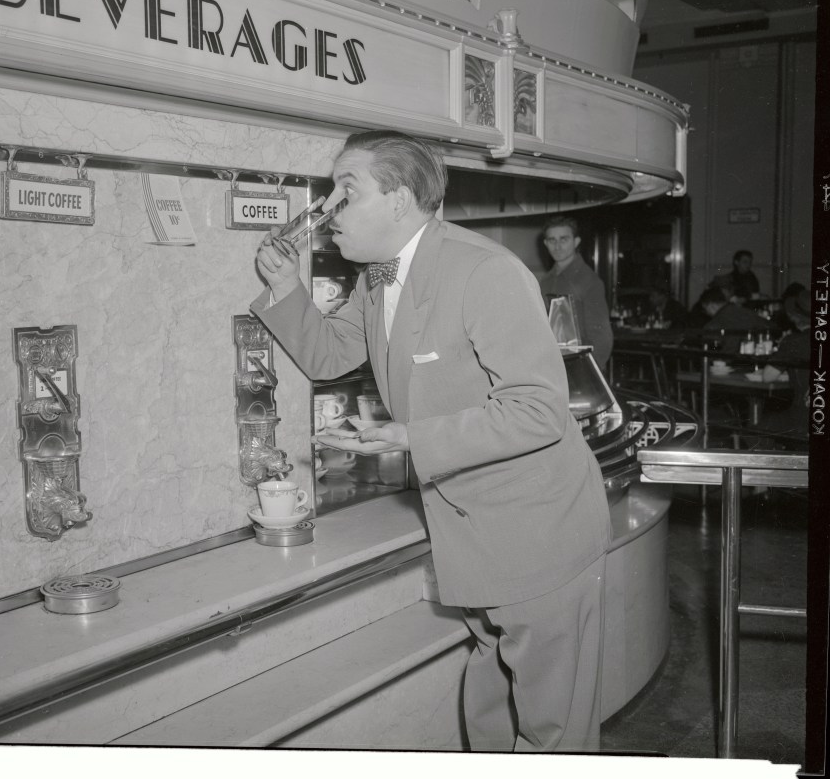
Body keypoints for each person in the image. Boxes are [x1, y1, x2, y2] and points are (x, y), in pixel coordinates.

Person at [251, 130, 611, 752]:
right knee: (493, 695)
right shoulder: (374, 279)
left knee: (556, 726)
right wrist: (287, 285)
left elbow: (538, 411)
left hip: (536, 530)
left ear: (399, 200)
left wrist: (411, 435)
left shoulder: (485, 270)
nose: (326, 208)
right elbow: (328, 353)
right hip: (469, 530)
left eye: (346, 189)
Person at [538, 216, 613, 369]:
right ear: (545, 243)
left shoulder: (589, 281)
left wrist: (590, 373)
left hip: (582, 369)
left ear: (576, 242)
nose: (557, 246)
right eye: (552, 240)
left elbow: (602, 338)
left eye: (563, 239)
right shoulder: (544, 281)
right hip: (553, 368)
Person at [697, 285, 771, 352]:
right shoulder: (747, 312)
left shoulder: (712, 326)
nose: (707, 314)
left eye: (705, 309)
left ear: (710, 305)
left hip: (725, 364)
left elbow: (708, 354)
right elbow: (770, 327)